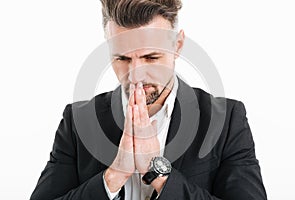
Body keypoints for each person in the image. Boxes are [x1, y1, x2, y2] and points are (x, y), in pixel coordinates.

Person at [30, 0, 267, 199]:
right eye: (122, 58)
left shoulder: (226, 120)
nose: (136, 75)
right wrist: (113, 176)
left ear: (178, 45)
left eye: (151, 57)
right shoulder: (78, 121)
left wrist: (159, 174)